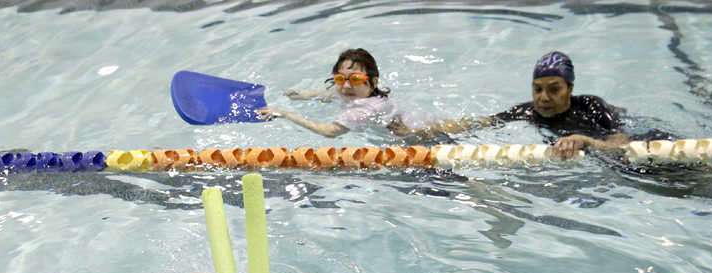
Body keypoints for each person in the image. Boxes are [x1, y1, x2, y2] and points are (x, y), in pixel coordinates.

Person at [406, 51, 629, 159]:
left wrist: (583, 141)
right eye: (537, 89)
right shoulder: (526, 111)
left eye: (554, 89)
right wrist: (427, 129)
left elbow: (620, 145)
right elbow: (481, 123)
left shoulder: (590, 106)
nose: (543, 97)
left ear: (570, 88)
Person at [256, 48, 420, 137]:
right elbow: (331, 91)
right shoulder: (367, 95)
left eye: (355, 79)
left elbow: (329, 131)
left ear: (374, 82)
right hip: (421, 126)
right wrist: (302, 96)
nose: (346, 86)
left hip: (417, 144)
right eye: (341, 79)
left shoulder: (362, 110)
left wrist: (284, 114)